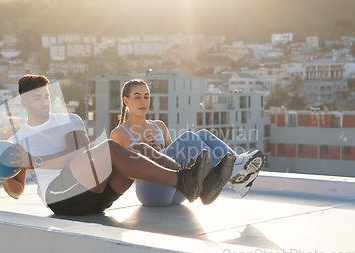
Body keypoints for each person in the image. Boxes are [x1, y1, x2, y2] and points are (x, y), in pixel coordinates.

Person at [0, 74, 223, 216]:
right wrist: (4, 175)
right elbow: (16, 192)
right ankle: (187, 182)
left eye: (47, 96)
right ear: (24, 103)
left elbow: (76, 153)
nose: (45, 101)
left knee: (138, 150)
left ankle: (197, 182)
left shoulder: (69, 120)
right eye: (38, 98)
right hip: (61, 199)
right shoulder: (16, 141)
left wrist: (35, 160)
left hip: (97, 197)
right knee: (110, 148)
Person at [110, 79, 265, 206]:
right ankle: (235, 173)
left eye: (146, 96)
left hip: (179, 192)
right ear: (126, 100)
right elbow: (116, 172)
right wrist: (142, 153)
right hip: (151, 192)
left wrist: (160, 150)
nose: (143, 101)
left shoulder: (159, 126)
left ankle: (237, 170)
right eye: (137, 97)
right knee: (189, 138)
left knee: (203, 134)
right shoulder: (119, 133)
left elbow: (174, 160)